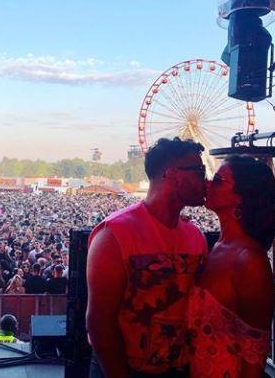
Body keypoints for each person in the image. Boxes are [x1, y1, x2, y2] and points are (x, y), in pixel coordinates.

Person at [87, 137, 208, 378]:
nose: (205, 181)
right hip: (124, 369)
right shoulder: (114, 235)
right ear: (172, 175)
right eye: (199, 171)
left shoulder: (197, 237)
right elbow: (100, 322)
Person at [187, 155, 275, 378]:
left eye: (217, 180)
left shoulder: (250, 261)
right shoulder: (218, 246)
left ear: (240, 198)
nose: (207, 183)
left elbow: (254, 352)